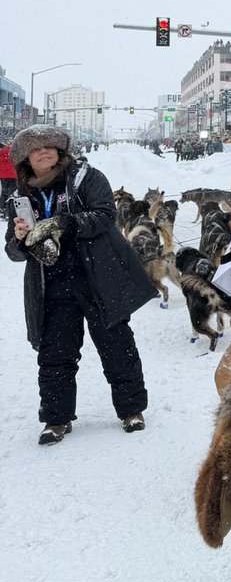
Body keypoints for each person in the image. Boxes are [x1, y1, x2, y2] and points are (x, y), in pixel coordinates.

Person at [4, 125, 154, 444]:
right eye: (35, 149)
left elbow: (104, 216)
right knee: (55, 354)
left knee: (117, 347)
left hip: (98, 278)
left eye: (50, 147)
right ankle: (56, 419)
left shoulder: (86, 177)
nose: (44, 152)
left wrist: (64, 222)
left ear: (60, 151)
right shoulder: (20, 197)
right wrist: (20, 239)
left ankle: (132, 410)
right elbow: (13, 252)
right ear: (25, 160)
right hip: (53, 286)